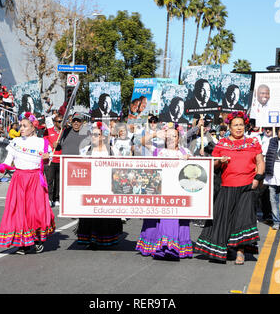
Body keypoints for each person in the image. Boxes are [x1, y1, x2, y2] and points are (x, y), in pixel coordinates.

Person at [195, 111, 264, 265]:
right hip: (227, 187)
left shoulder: (253, 142)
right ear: (229, 127)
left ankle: (241, 252)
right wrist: (221, 161)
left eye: (241, 125)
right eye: (235, 125)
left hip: (247, 186)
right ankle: (223, 250)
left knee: (243, 219)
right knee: (224, 219)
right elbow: (213, 164)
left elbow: (260, 162)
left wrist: (257, 178)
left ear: (245, 126)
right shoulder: (222, 144)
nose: (239, 128)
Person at [0, 112, 55, 255]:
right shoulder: (16, 142)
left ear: (33, 127)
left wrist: (46, 158)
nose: (21, 128)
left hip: (35, 179)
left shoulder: (43, 143)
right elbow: (7, 163)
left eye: (25, 126)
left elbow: (48, 162)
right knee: (20, 212)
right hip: (19, 180)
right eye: (20, 126)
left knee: (35, 211)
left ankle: (37, 239)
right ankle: (23, 243)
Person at [136, 124, 193, 260]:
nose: (171, 138)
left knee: (172, 217)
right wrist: (156, 134)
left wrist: (190, 159)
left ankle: (170, 246)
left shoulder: (185, 152)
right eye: (168, 136)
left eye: (174, 136)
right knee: (156, 218)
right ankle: (155, 245)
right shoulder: (158, 151)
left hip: (178, 191)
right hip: (160, 189)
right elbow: (142, 142)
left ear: (179, 138)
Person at [76, 122, 123, 248]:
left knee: (105, 213)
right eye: (92, 134)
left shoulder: (112, 151)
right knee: (91, 213)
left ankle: (106, 237)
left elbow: (120, 167)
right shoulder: (85, 150)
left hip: (107, 187)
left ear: (103, 136)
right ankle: (91, 237)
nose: (93, 137)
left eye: (96, 135)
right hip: (91, 186)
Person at [43, 114, 63, 208]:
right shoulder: (48, 131)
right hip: (51, 159)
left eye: (62, 121)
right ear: (55, 122)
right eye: (59, 121)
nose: (60, 123)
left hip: (61, 160)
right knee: (50, 180)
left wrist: (60, 144)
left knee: (58, 181)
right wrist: (51, 147)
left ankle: (56, 198)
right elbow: (44, 144)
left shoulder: (64, 132)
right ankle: (49, 199)